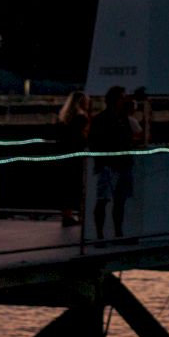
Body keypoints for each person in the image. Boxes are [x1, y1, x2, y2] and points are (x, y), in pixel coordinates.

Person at [88, 86, 137, 242]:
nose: (125, 100)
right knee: (104, 200)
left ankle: (116, 233)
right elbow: (95, 142)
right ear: (115, 100)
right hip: (109, 165)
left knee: (118, 201)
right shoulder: (103, 119)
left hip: (121, 163)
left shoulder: (121, 118)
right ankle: (102, 235)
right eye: (122, 97)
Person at [53, 90, 91, 227]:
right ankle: (80, 215)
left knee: (66, 187)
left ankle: (67, 215)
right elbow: (84, 137)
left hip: (65, 155)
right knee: (79, 186)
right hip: (77, 156)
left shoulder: (65, 117)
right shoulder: (81, 117)